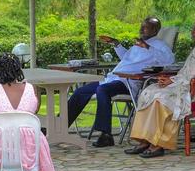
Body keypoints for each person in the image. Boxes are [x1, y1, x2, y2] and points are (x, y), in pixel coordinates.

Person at [126, 16, 195, 158]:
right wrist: (171, 80)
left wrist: (177, 82)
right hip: (188, 84)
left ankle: (158, 144)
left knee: (162, 98)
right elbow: (186, 72)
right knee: (150, 91)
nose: (192, 32)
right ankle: (145, 140)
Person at [67, 17, 175, 147]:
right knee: (80, 92)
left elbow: (169, 60)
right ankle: (57, 125)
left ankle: (106, 135)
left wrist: (147, 47)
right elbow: (126, 58)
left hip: (128, 82)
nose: (141, 29)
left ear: (155, 29)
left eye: (145, 27)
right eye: (141, 26)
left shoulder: (160, 46)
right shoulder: (138, 45)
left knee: (102, 90)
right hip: (113, 79)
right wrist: (116, 44)